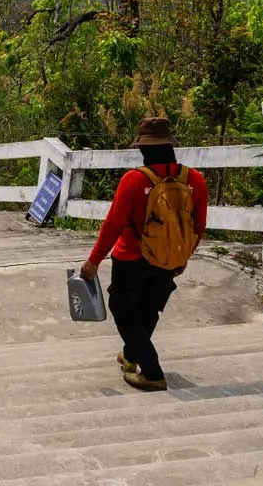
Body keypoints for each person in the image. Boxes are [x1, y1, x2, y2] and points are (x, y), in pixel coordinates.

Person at [80, 117, 209, 392]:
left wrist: (93, 261)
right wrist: (183, 257)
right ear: (171, 146)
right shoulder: (194, 180)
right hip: (168, 258)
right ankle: (131, 355)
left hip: (131, 258)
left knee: (123, 310)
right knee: (149, 309)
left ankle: (151, 372)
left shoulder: (134, 180)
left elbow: (114, 224)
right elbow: (199, 227)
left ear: (144, 149)